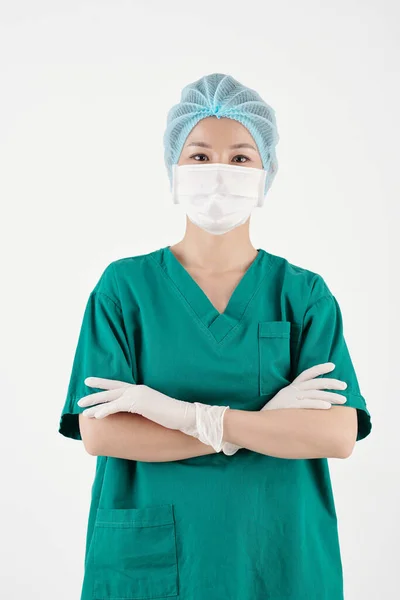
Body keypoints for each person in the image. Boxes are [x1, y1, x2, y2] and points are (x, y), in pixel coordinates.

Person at [58, 72, 372, 600]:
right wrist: (260, 425)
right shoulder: (124, 289)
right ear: (174, 169)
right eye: (200, 156)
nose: (220, 173)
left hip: (278, 559)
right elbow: (103, 434)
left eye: (241, 157)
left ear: (266, 172)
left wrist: (197, 418)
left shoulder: (302, 295)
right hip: (160, 566)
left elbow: (337, 435)